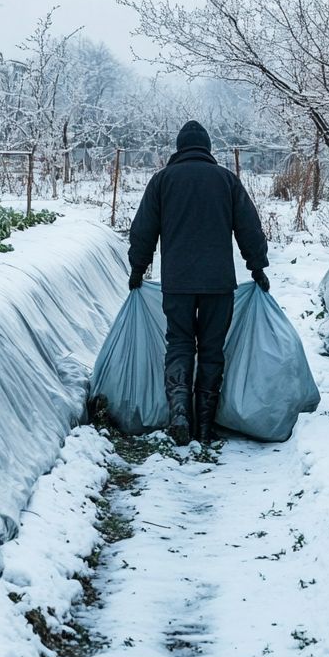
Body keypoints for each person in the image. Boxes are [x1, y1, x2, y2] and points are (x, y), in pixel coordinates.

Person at [127, 120, 270, 447]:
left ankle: (179, 412)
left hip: (177, 283)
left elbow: (143, 230)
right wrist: (257, 267)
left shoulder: (162, 181)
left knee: (178, 342)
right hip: (219, 284)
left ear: (179, 149)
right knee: (210, 349)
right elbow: (249, 228)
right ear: (207, 149)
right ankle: (204, 426)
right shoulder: (226, 181)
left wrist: (138, 268)